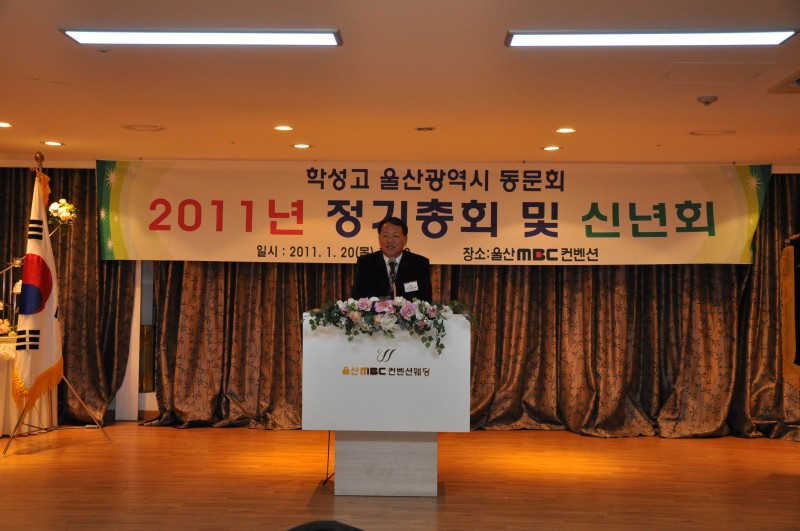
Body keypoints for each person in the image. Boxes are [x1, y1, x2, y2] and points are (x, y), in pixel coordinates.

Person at [351, 217, 433, 302]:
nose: (390, 240)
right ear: (379, 239)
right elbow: (357, 299)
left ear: (405, 239)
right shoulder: (365, 263)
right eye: (385, 236)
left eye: (395, 236)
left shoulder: (419, 264)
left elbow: (425, 300)